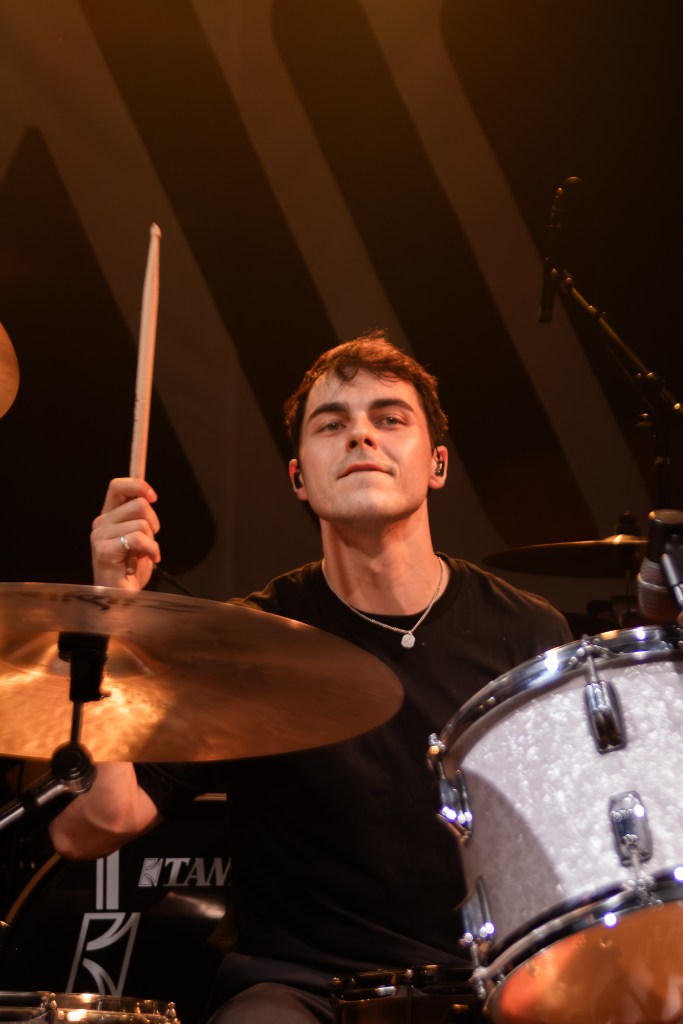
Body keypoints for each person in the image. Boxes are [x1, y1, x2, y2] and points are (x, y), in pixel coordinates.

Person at [50, 331, 572, 1023]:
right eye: (331, 424)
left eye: (389, 418)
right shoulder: (246, 641)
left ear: (437, 464)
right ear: (299, 478)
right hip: (300, 989)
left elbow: (581, 847)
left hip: (492, 984)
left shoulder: (528, 633)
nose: (361, 435)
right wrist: (110, 615)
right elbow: (91, 828)